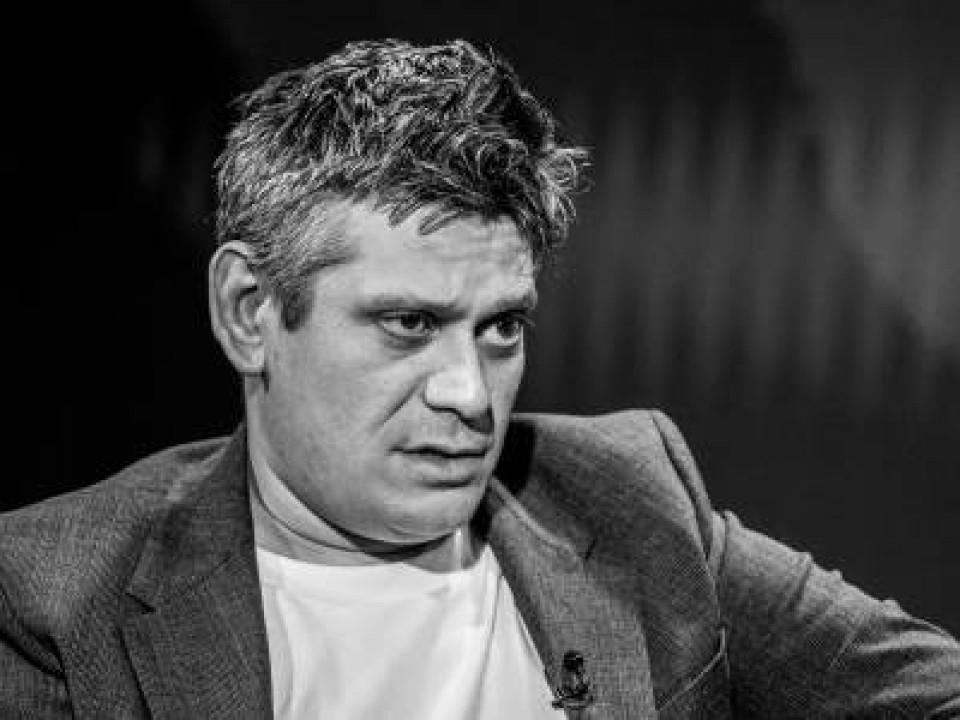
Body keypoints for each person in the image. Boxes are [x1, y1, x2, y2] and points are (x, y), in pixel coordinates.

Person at [1, 38, 958, 720]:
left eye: (501, 327)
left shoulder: (635, 503)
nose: (468, 394)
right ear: (251, 311)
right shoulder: (52, 595)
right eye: (409, 324)